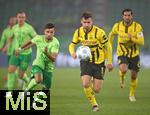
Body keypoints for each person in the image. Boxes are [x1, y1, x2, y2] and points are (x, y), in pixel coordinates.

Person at [69, 11, 113, 112]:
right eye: (85, 22)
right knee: (85, 84)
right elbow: (72, 44)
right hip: (86, 61)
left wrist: (109, 61)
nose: (86, 24)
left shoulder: (99, 32)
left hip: (99, 62)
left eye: (88, 22)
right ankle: (94, 104)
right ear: (81, 22)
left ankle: (93, 80)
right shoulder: (78, 32)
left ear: (92, 22)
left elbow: (108, 46)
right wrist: (72, 52)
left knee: (97, 90)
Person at [108, 8, 144, 102]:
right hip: (122, 53)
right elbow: (112, 34)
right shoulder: (117, 26)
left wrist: (132, 38)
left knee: (133, 76)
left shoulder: (137, 27)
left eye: (129, 15)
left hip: (134, 54)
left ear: (132, 16)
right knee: (123, 69)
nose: (127, 17)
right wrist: (108, 45)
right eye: (125, 15)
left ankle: (131, 95)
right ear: (122, 16)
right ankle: (122, 76)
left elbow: (141, 42)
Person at [16, 23, 59, 96]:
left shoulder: (55, 43)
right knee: (38, 79)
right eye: (47, 32)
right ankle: (26, 91)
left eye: (51, 32)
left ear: (54, 32)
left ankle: (36, 102)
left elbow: (54, 59)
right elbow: (30, 42)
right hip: (38, 63)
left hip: (48, 67)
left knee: (46, 89)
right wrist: (20, 49)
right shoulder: (39, 38)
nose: (49, 34)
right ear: (44, 32)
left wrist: (46, 53)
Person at [4, 11, 37, 93]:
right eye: (19, 17)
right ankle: (9, 92)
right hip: (15, 54)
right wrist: (6, 46)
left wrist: (23, 49)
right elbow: (11, 37)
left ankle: (26, 80)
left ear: (25, 18)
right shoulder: (14, 27)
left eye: (23, 17)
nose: (21, 19)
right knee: (10, 70)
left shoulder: (29, 28)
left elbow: (35, 40)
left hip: (26, 55)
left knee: (20, 75)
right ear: (17, 18)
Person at [0, 16, 23, 88]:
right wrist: (1, 48)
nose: (13, 22)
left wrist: (5, 47)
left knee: (12, 68)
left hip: (15, 51)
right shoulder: (5, 31)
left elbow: (11, 39)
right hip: (9, 53)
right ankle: (21, 80)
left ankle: (20, 80)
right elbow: (2, 40)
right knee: (11, 69)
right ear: (9, 21)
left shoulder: (16, 30)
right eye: (12, 20)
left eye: (14, 20)